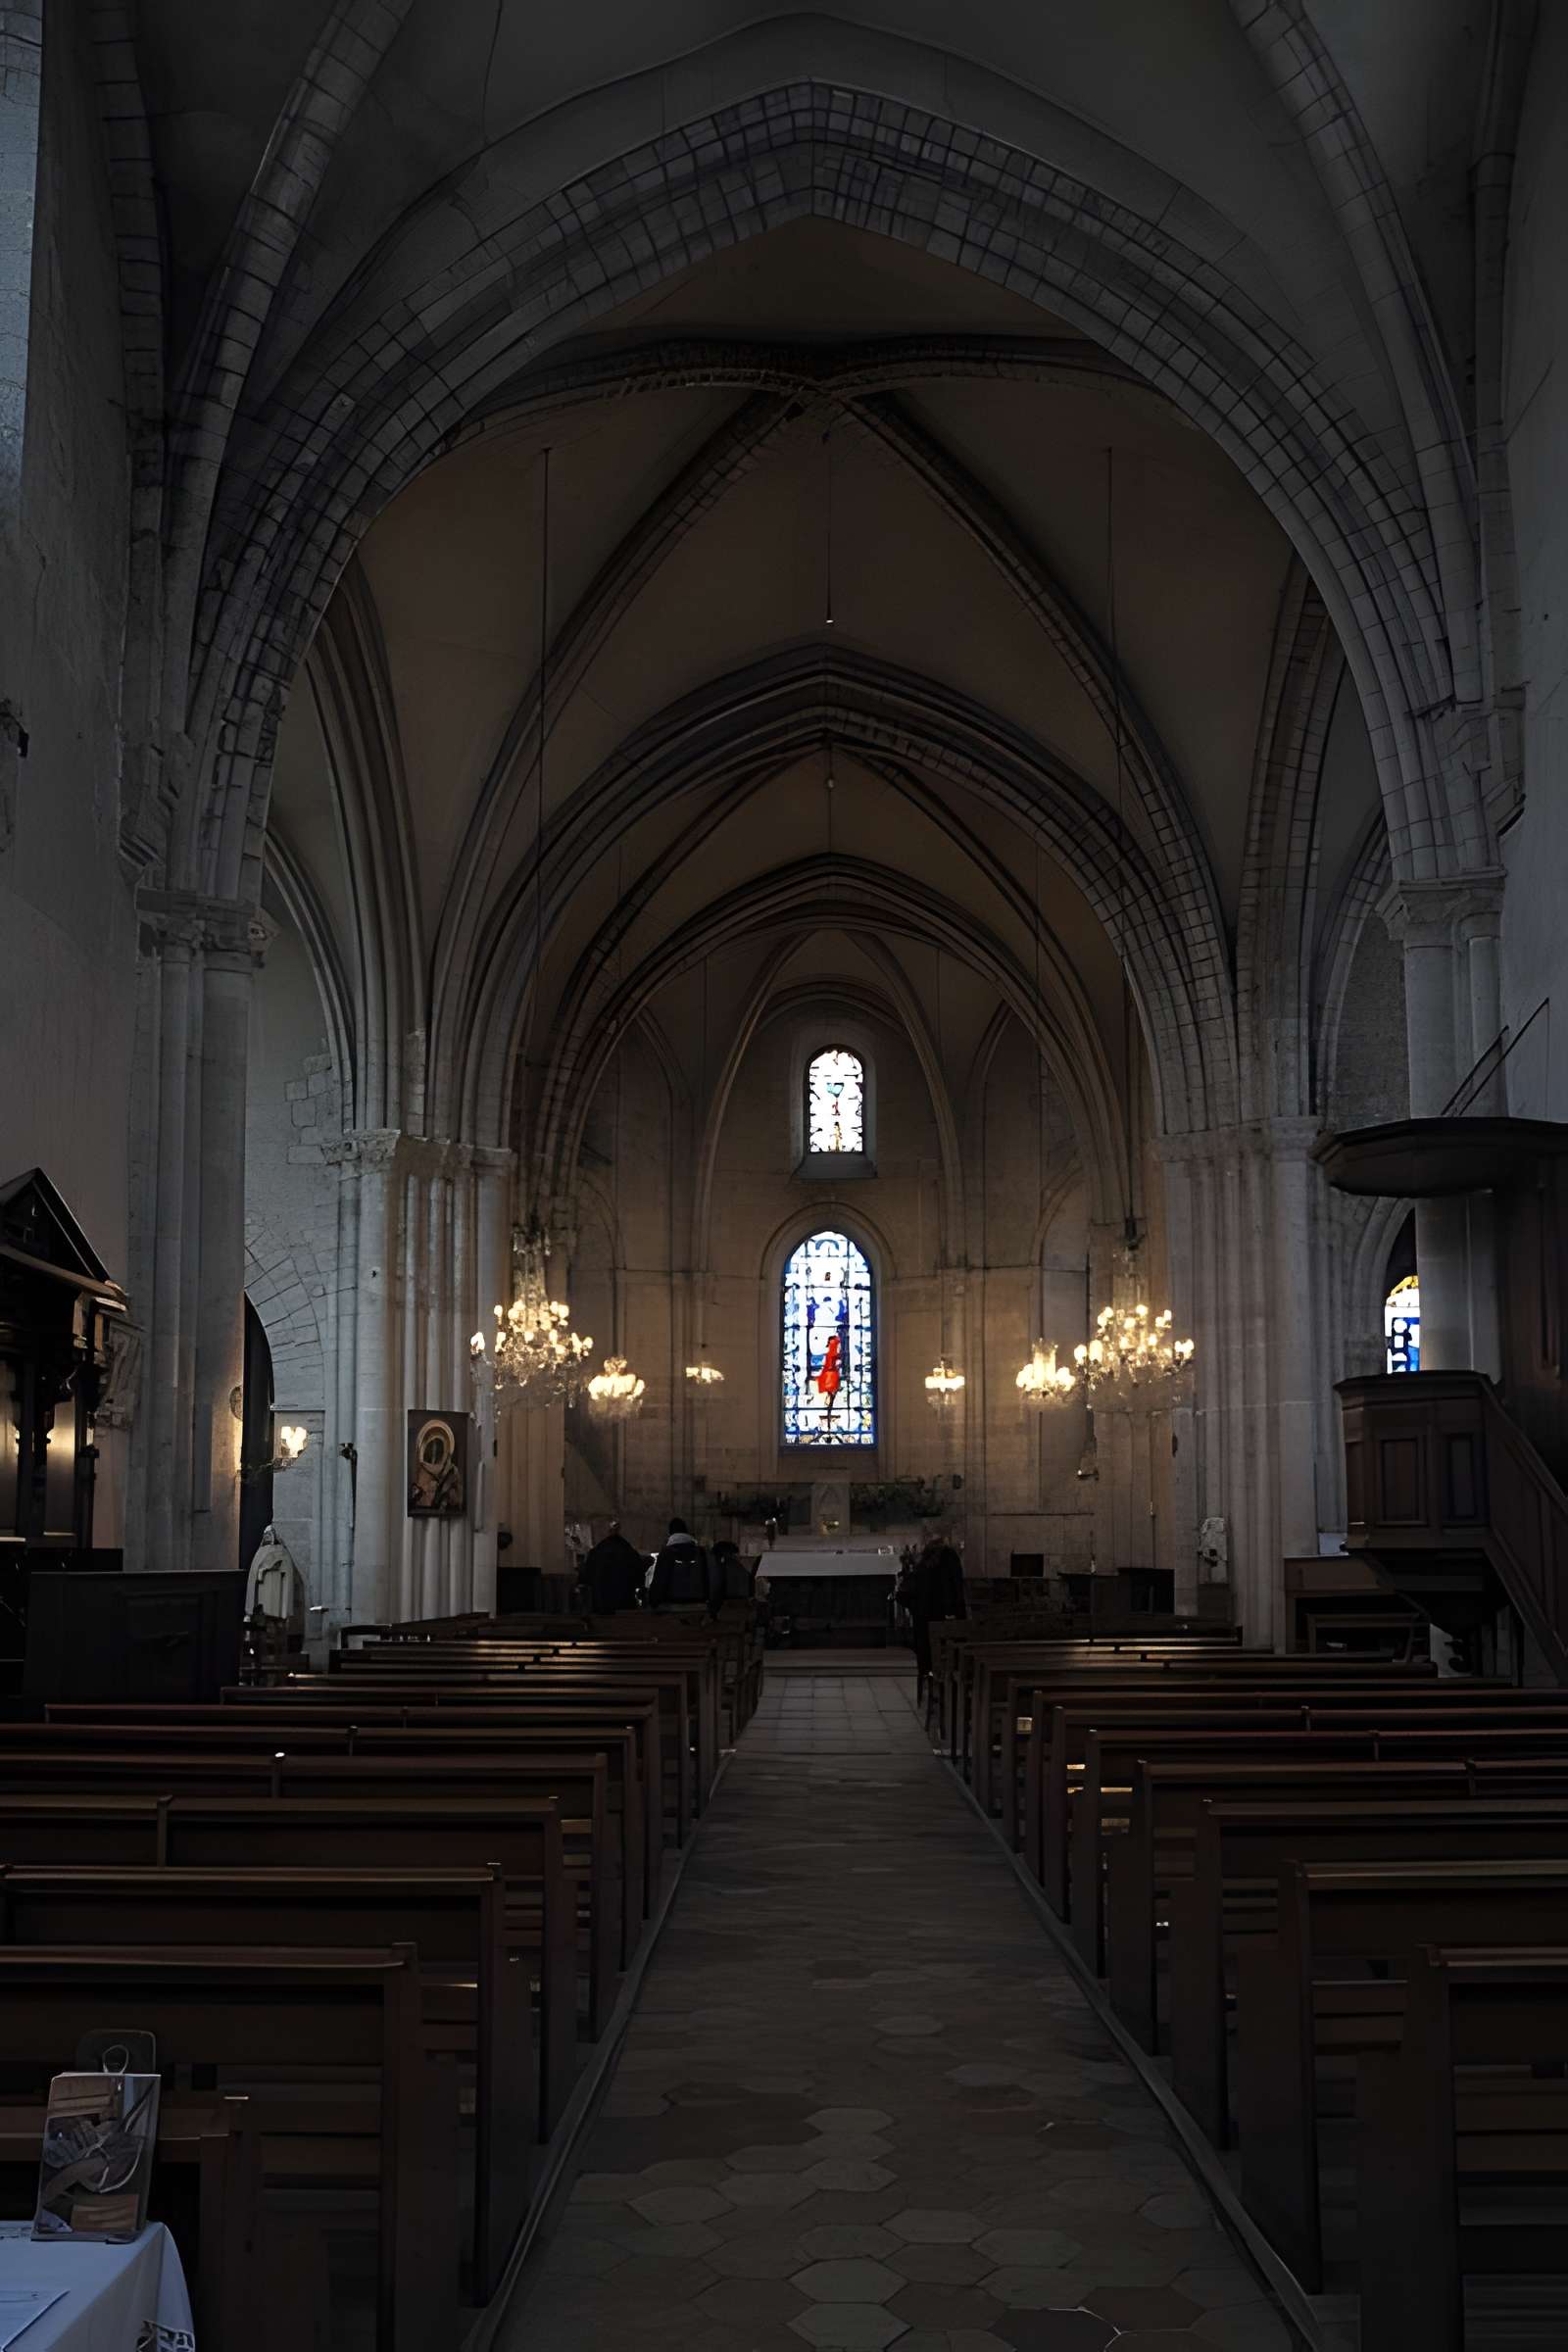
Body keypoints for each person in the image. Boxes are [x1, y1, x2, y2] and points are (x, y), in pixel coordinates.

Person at [904, 1536, 967, 1689]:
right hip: (946, 1616)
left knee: (927, 1656)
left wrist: (914, 1609)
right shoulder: (950, 1558)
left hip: (925, 1618)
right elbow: (957, 1589)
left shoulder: (923, 1566)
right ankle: (945, 1687)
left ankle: (928, 1682)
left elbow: (906, 1593)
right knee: (949, 1656)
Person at [647, 1517, 718, 1612]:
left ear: (670, 1533)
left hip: (673, 1607)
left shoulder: (667, 1553)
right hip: (699, 1607)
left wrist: (652, 1602)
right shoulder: (701, 1552)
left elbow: (659, 1583)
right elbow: (710, 1579)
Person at [581, 1520, 646, 1614]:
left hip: (601, 1605)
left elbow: (586, 1577)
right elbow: (640, 1579)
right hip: (624, 1606)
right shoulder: (629, 1551)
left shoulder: (597, 1552)